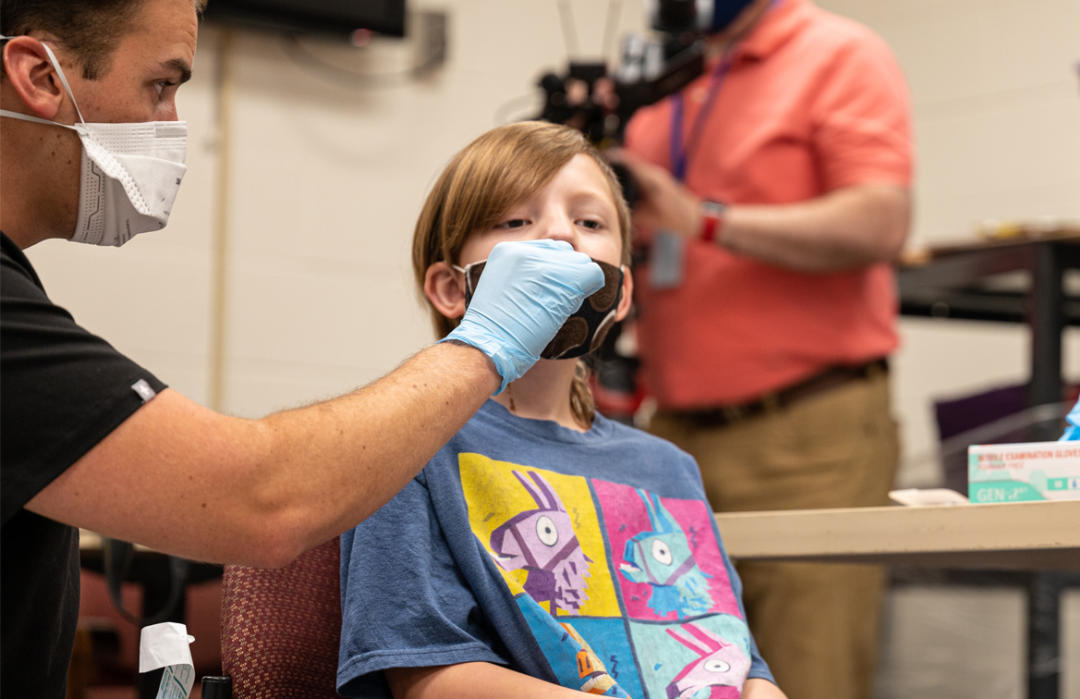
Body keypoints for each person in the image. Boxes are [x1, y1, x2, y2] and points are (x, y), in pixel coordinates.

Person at [0, 2, 605, 694]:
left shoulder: (665, 469)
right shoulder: (410, 470)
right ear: (39, 77)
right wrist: (488, 343)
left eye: (591, 221)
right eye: (161, 86)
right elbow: (259, 497)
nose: (172, 126)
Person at [336, 121, 786, 699]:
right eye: (516, 221)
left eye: (590, 222)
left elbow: (740, 664)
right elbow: (426, 673)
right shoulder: (407, 446)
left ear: (622, 291)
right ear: (451, 288)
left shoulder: (671, 469)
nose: (560, 235)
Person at [610, 0, 914, 697]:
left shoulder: (838, 52)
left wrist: (705, 221)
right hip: (673, 439)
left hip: (808, 436)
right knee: (670, 676)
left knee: (810, 676)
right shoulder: (667, 83)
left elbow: (882, 219)